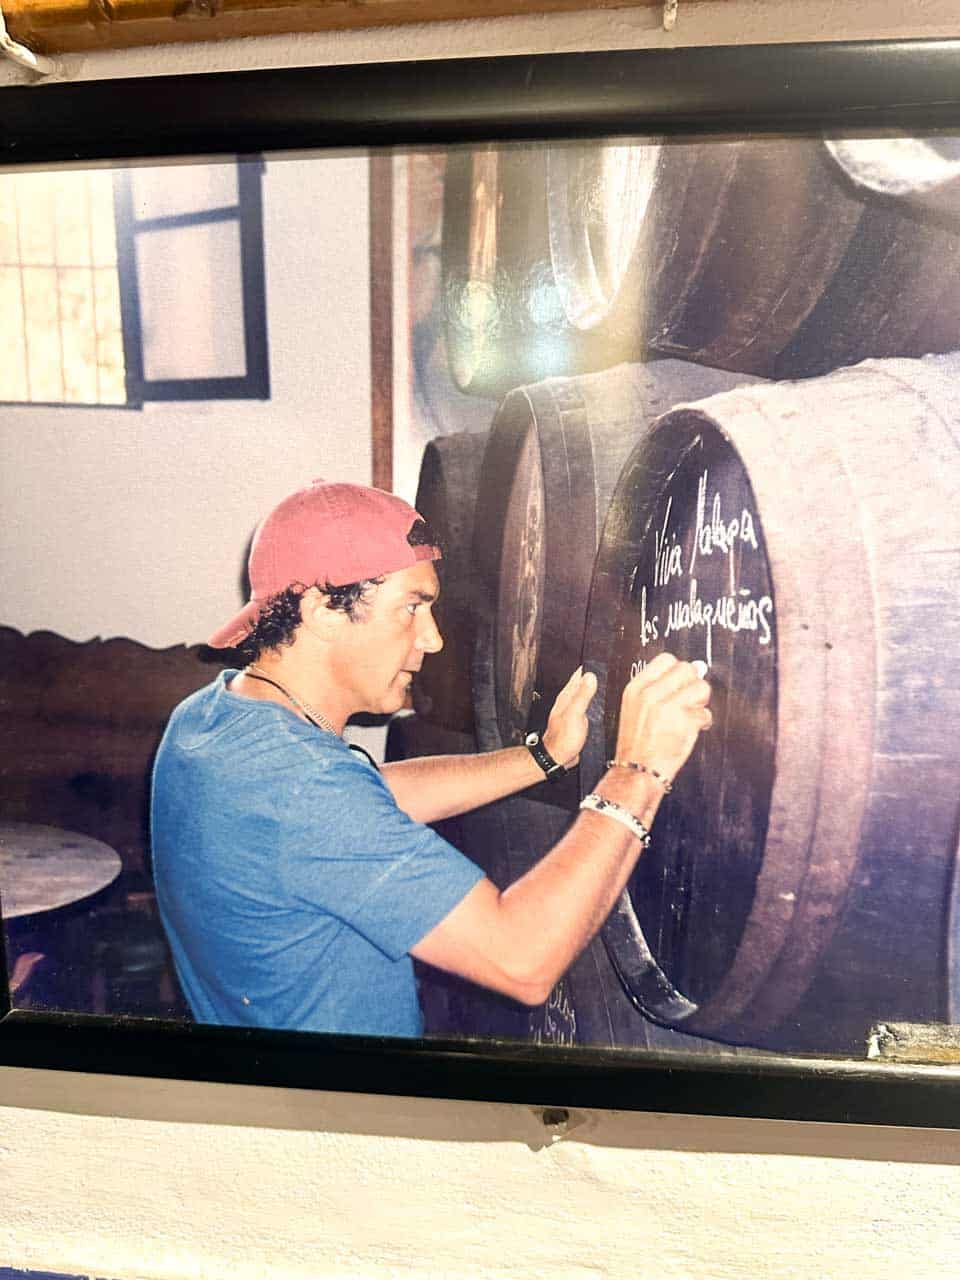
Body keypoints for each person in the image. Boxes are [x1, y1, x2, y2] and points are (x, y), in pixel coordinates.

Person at [151, 479, 711, 1037]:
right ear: (321, 609)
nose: (434, 639)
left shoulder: (211, 718)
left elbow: (369, 794)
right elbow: (522, 960)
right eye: (412, 608)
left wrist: (542, 756)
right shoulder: (304, 794)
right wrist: (637, 770)